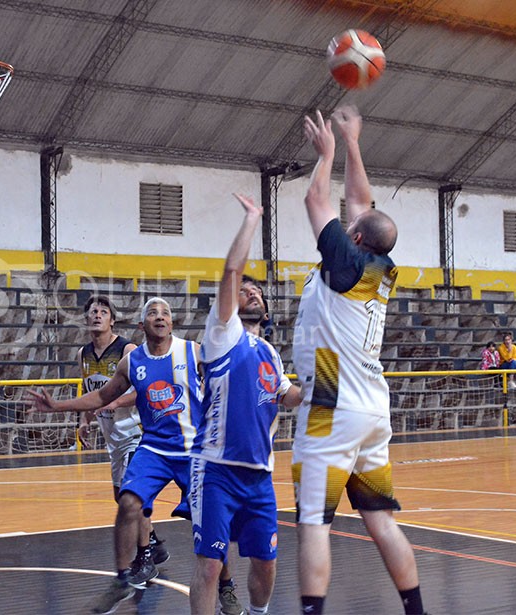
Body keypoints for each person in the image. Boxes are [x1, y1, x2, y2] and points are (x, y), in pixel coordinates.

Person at [292, 105, 426, 615]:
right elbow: (361, 204)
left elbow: (316, 197)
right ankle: (416, 610)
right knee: (380, 519)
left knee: (314, 521)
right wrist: (352, 142)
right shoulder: (379, 266)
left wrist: (326, 154)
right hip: (373, 406)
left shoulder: (344, 262)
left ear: (353, 238)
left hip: (331, 402)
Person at [31, 298, 245, 614]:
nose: (160, 316)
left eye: (166, 313)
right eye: (152, 313)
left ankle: (226, 587)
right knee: (128, 501)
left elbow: (224, 382)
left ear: (172, 323)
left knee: (211, 526)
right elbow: (104, 396)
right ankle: (121, 579)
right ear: (141, 325)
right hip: (154, 448)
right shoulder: (132, 363)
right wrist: (58, 406)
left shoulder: (192, 351)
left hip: (195, 452)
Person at [190, 194, 303, 615]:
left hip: (259, 476)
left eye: (258, 291)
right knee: (210, 564)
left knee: (267, 562)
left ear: (267, 310)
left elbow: (287, 395)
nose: (250, 292)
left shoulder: (270, 353)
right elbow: (231, 271)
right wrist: (254, 218)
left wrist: (318, 387)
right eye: (245, 290)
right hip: (216, 468)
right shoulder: (223, 334)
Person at [76, 295, 169, 565]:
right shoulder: (82, 354)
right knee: (121, 497)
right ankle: (154, 542)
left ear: (112, 320)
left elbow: (142, 390)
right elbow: (90, 392)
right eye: (93, 311)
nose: (97, 315)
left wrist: (114, 400)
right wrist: (85, 420)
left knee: (133, 494)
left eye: (103, 312)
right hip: (111, 436)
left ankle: (144, 557)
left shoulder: (127, 350)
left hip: (135, 432)